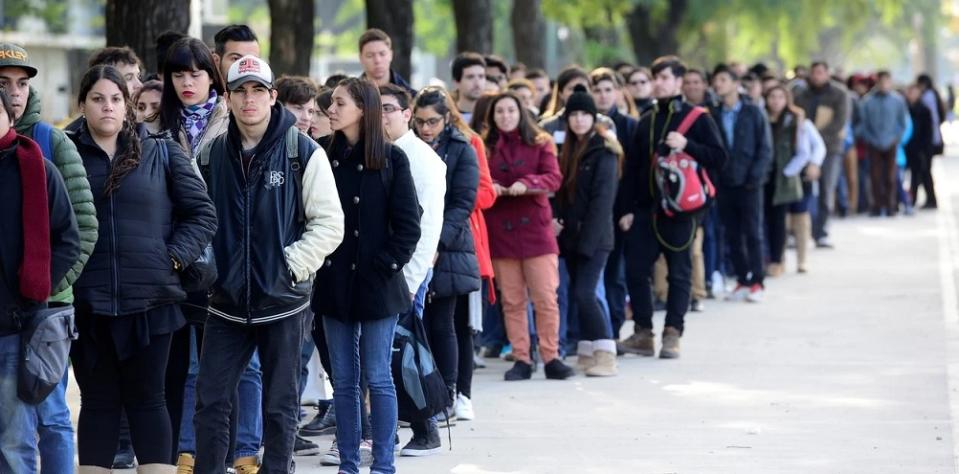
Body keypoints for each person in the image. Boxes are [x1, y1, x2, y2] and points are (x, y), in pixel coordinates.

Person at [193, 55, 345, 474]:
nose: (249, 99)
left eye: (258, 90)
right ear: (227, 97)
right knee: (211, 403)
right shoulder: (208, 156)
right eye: (240, 90)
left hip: (282, 302)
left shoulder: (302, 152)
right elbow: (195, 219)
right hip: (224, 302)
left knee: (280, 406)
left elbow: (330, 224)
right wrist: (208, 265)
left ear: (272, 96)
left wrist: (289, 265)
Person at [68, 64, 216, 473]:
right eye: (97, 99)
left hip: (152, 302)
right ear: (82, 104)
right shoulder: (65, 155)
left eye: (115, 99)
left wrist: (171, 258)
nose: (107, 107)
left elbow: (202, 213)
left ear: (128, 105)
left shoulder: (160, 150)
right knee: (98, 403)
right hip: (88, 303)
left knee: (150, 400)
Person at [0, 42, 98, 474]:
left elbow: (79, 230)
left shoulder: (46, 143)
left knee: (51, 418)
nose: (16, 92)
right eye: (4, 84)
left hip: (42, 311)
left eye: (22, 84)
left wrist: (43, 286)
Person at [316, 77, 420, 474]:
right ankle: (347, 464)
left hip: (378, 285)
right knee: (342, 381)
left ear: (363, 108)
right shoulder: (321, 154)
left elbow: (409, 226)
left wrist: (383, 266)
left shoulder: (392, 159)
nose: (331, 109)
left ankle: (383, 465)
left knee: (378, 377)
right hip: (333, 281)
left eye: (340, 102)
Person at [616, 56, 726, 359]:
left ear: (679, 81)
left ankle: (672, 333)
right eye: (656, 77)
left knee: (679, 273)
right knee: (636, 271)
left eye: (665, 77)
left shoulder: (698, 117)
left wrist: (687, 145)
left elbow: (719, 158)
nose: (659, 83)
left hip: (682, 213)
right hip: (645, 211)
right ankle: (643, 333)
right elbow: (634, 169)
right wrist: (626, 209)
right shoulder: (647, 119)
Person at [407, 86, 481, 453]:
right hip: (417, 244)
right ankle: (427, 393)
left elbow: (463, 202)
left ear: (447, 118)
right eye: (419, 121)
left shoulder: (462, 148)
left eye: (432, 121)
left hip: (450, 247)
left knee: (445, 323)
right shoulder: (409, 146)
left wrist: (436, 245)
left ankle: (448, 394)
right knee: (422, 326)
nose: (426, 128)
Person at [484, 91, 575, 380]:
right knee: (512, 300)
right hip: (502, 232)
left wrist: (528, 183)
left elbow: (554, 177)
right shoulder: (486, 147)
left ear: (521, 112)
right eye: (500, 111)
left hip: (536, 231)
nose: (506, 116)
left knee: (546, 297)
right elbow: (478, 179)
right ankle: (521, 357)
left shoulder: (540, 142)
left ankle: (551, 356)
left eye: (511, 110)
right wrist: (494, 186)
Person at [553, 89, 621, 377]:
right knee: (579, 293)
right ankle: (587, 351)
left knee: (585, 293)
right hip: (573, 237)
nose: (579, 120)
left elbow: (601, 203)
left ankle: (606, 355)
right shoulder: (569, 149)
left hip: (595, 239)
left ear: (594, 118)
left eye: (584, 114)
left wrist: (585, 244)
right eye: (573, 115)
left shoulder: (604, 150)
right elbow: (563, 193)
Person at [709, 64, 773, 302]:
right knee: (732, 233)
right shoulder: (712, 114)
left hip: (750, 183)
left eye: (724, 79)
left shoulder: (753, 112)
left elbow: (765, 149)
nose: (718, 85)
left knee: (753, 232)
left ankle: (757, 280)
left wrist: (755, 177)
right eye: (716, 81)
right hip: (724, 183)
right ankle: (742, 280)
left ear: (736, 83)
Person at [764, 84, 825, 276]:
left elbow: (816, 148)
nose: (775, 101)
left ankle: (802, 259)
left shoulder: (799, 120)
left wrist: (812, 164)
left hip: (799, 175)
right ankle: (777, 258)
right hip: (773, 176)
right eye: (771, 96)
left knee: (800, 216)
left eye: (780, 97)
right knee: (778, 219)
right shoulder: (762, 118)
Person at [794, 62, 849, 248]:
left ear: (827, 74)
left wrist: (816, 139)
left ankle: (821, 232)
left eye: (820, 72)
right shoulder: (801, 95)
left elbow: (839, 122)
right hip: (804, 150)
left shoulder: (839, 94)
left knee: (826, 189)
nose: (816, 76)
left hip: (831, 148)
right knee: (802, 190)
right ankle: (800, 231)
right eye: (814, 73)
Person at [855, 71, 909, 217]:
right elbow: (862, 124)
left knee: (891, 176)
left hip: (891, 142)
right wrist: (869, 138)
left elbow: (902, 123)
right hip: (873, 143)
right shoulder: (867, 101)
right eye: (881, 82)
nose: (884, 85)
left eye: (887, 82)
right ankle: (877, 206)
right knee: (875, 176)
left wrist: (896, 138)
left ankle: (891, 205)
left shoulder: (898, 101)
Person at [905, 83, 938, 209]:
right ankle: (913, 200)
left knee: (925, 175)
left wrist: (923, 148)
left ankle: (931, 200)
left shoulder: (924, 109)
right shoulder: (907, 108)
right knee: (915, 175)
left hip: (923, 149)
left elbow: (927, 132)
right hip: (912, 148)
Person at [358, 28, 416, 96]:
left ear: (391, 55)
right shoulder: (352, 96)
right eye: (370, 55)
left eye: (382, 54)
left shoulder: (412, 97)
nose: (377, 60)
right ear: (361, 58)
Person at [452, 52, 487, 123]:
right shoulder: (448, 118)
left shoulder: (492, 116)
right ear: (456, 82)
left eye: (481, 76)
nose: (477, 83)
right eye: (470, 77)